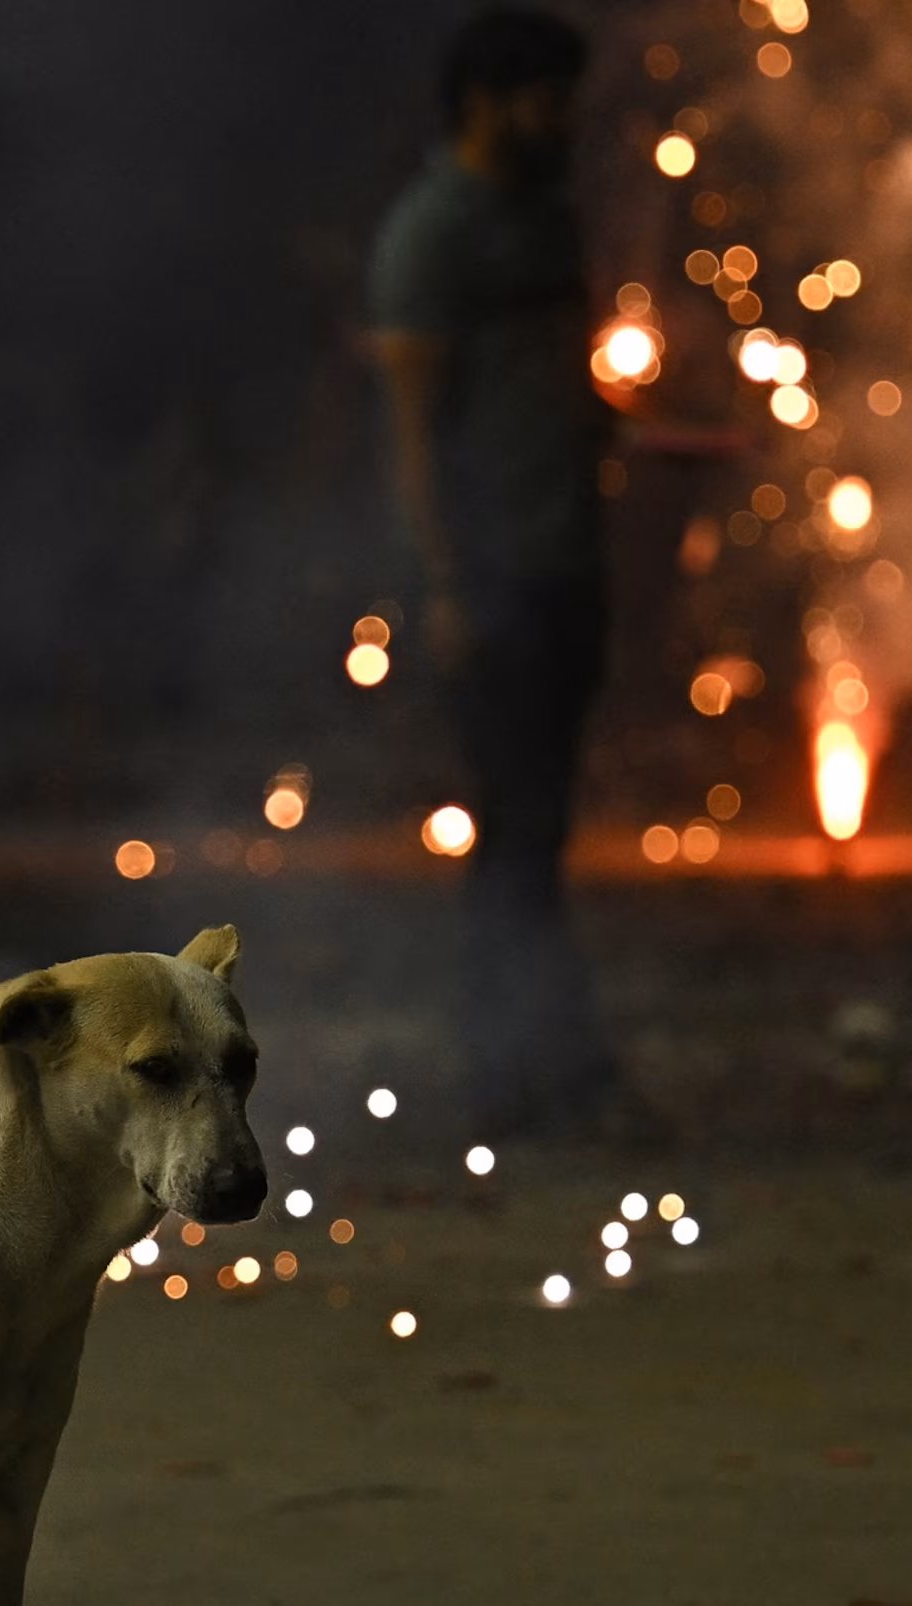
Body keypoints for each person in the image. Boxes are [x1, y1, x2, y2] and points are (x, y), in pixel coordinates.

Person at [368, 7, 619, 1134]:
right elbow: (417, 430)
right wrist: (446, 584)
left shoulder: (547, 221)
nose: (564, 118)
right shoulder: (432, 237)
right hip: (496, 573)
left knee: (541, 830)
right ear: (485, 101)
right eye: (545, 97)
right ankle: (519, 1070)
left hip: (565, 562)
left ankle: (539, 1062)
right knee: (513, 834)